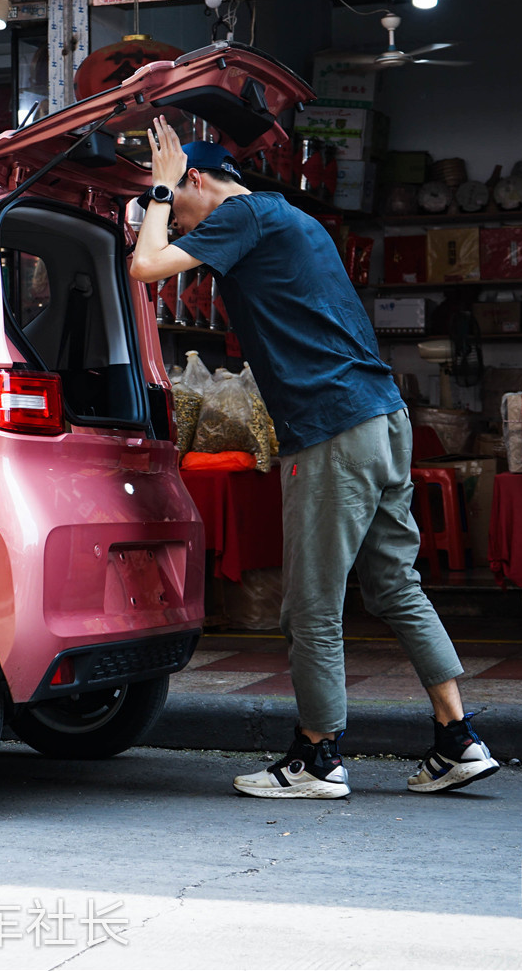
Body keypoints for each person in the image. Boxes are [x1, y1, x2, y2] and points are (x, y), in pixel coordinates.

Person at [130, 117, 499, 800]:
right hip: (384, 417)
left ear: (202, 181)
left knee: (312, 606)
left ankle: (317, 756)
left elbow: (145, 266)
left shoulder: (240, 216)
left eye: (179, 203)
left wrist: (156, 190)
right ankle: (459, 736)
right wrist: (163, 197)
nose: (175, 221)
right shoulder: (289, 219)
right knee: (395, 584)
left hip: (332, 427)